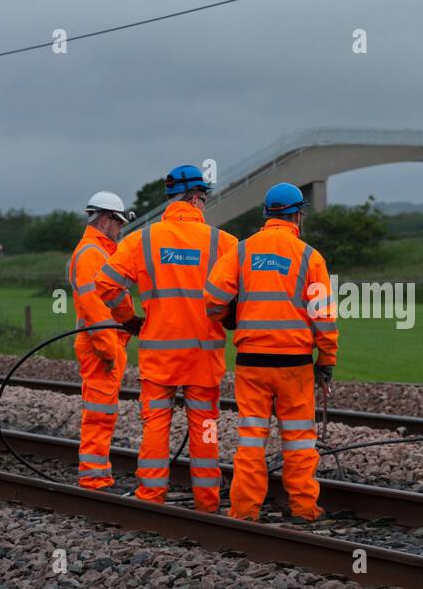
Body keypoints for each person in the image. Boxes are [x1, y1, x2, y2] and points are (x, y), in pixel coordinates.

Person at [81, 165, 236, 510]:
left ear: (170, 199)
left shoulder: (142, 239)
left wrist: (129, 318)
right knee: (206, 426)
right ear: (196, 198)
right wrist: (226, 317)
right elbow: (240, 292)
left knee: (155, 427)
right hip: (203, 357)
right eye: (204, 199)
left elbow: (105, 285)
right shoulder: (222, 242)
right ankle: (208, 501)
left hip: (158, 356)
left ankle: (151, 497)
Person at [203, 182, 338, 522]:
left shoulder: (241, 251)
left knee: (251, 438)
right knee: (299, 440)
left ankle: (244, 511)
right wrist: (326, 358)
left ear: (266, 215)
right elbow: (323, 315)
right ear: (297, 215)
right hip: (294, 364)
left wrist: (230, 317)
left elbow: (212, 300)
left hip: (252, 363)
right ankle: (305, 509)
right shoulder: (311, 257)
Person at [68, 191, 136, 488]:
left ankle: (99, 474)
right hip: (100, 346)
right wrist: (109, 349)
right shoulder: (91, 254)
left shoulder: (100, 252)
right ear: (106, 220)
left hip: (106, 343)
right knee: (99, 413)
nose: (120, 230)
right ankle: (94, 480)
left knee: (103, 413)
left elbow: (115, 296)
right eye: (118, 223)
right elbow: (94, 307)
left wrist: (131, 320)